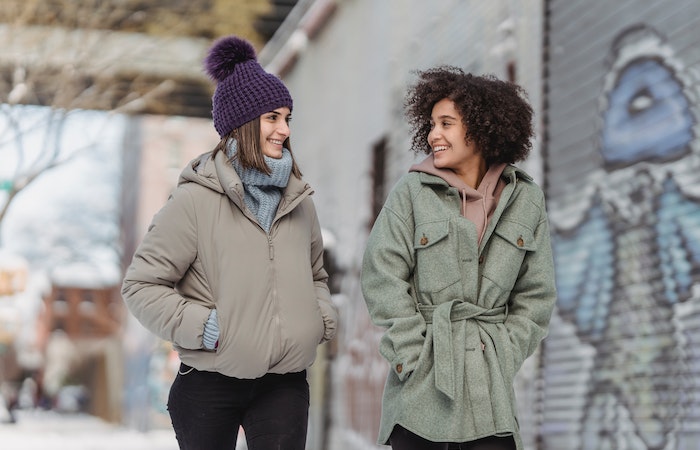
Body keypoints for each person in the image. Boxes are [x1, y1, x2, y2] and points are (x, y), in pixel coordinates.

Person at [121, 35, 338, 450]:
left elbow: (316, 274)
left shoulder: (298, 201)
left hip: (284, 383)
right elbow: (141, 286)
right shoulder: (195, 200)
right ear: (242, 122)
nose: (284, 129)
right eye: (273, 118)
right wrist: (206, 328)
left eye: (287, 118)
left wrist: (319, 320)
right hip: (208, 384)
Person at [361, 67, 557, 450]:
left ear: (482, 127)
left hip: (490, 399)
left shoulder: (525, 199)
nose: (434, 135)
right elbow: (381, 275)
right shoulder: (413, 192)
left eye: (446, 124)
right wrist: (412, 355)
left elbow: (537, 294)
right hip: (421, 392)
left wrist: (504, 351)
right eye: (432, 124)